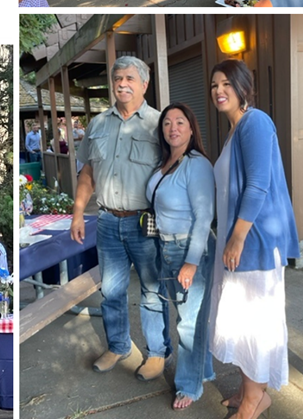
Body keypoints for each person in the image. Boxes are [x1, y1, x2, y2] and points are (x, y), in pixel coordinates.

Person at [209, 60, 300, 419]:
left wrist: (237, 237)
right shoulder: (236, 130)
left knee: (256, 322)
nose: (218, 90)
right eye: (214, 84)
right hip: (241, 242)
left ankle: (255, 400)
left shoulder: (255, 122)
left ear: (243, 86)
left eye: (226, 84)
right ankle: (251, 390)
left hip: (255, 243)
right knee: (243, 321)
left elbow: (258, 183)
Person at [71, 56, 172, 380]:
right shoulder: (98, 124)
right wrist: (77, 213)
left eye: (130, 78)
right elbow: (87, 172)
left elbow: (174, 177)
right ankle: (118, 345)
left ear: (144, 84)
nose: (122, 84)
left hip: (145, 222)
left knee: (151, 290)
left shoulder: (161, 124)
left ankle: (157, 352)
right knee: (111, 290)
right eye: (117, 78)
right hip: (108, 222)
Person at [147, 104, 215, 410]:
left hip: (189, 249)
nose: (172, 128)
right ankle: (205, 370)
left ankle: (189, 385)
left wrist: (191, 261)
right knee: (191, 318)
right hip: (166, 247)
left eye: (180, 122)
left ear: (191, 128)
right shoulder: (166, 162)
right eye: (167, 123)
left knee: (188, 323)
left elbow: (204, 217)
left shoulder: (196, 164)